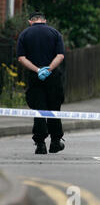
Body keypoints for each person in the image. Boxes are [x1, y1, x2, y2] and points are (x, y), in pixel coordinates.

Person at [17, 12, 65, 154]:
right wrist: (49, 69)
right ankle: (56, 142)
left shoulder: (24, 34)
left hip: (34, 77)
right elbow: (60, 55)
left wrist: (38, 70)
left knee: (39, 110)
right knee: (54, 110)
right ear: (45, 20)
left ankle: (40, 143)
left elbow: (21, 58)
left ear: (30, 21)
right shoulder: (55, 33)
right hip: (53, 77)